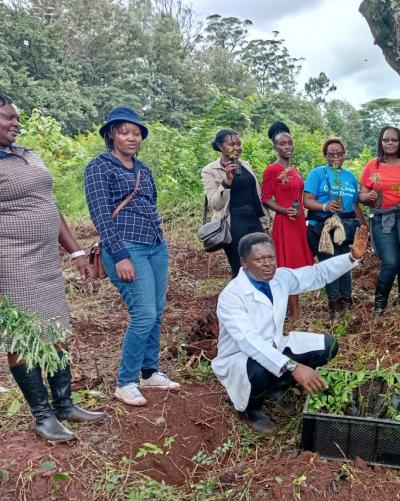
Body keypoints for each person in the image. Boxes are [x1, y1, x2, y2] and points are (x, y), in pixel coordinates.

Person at [1, 92, 104, 442]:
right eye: (9, 118)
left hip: (45, 259)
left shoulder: (26, 153)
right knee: (23, 337)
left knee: (56, 330)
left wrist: (75, 253)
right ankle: (43, 416)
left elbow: (49, 204)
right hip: (11, 262)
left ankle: (64, 403)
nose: (16, 122)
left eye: (17, 117)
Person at [212, 226, 370, 433]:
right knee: (259, 368)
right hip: (241, 357)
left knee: (328, 346)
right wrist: (295, 367)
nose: (267, 264)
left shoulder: (280, 278)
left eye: (271, 257)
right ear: (244, 262)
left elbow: (317, 274)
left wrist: (351, 257)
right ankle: (252, 409)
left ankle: (278, 387)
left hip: (276, 345)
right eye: (259, 259)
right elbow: (249, 342)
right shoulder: (232, 296)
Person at [84, 106, 179, 407]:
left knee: (157, 310)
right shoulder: (99, 166)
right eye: (125, 132)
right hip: (126, 247)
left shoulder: (143, 169)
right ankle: (126, 381)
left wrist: (160, 241)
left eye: (136, 133)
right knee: (143, 314)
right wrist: (120, 254)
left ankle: (149, 372)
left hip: (155, 245)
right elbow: (100, 214)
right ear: (111, 134)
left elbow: (151, 205)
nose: (132, 138)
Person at [359, 126, 400, 318]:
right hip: (382, 218)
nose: (390, 143)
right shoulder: (372, 166)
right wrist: (369, 196)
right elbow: (361, 195)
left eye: (394, 139)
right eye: (386, 140)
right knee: (391, 262)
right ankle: (379, 307)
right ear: (381, 142)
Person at [303, 138, 366, 320]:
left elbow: (355, 205)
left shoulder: (350, 177)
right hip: (323, 228)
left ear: (345, 155)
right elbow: (307, 200)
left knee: (346, 264)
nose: (336, 156)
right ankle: (334, 308)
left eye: (339, 153)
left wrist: (363, 229)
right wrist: (325, 207)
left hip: (346, 227)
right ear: (325, 155)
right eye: (331, 153)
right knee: (330, 266)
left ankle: (346, 305)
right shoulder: (317, 174)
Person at [261, 122, 314, 321]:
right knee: (287, 266)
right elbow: (265, 198)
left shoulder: (293, 169)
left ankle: (293, 310)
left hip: (299, 222)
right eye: (282, 144)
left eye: (290, 143)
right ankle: (293, 314)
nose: (287, 147)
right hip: (285, 223)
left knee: (298, 265)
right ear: (275, 147)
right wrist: (284, 210)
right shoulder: (272, 170)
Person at [202, 129, 270, 277]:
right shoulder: (210, 170)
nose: (237, 148)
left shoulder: (245, 165)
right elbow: (215, 204)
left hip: (253, 220)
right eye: (231, 144)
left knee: (261, 265)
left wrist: (264, 224)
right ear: (220, 146)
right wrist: (227, 182)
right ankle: (238, 299)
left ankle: (261, 299)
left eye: (239, 144)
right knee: (241, 269)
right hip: (233, 224)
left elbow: (255, 196)